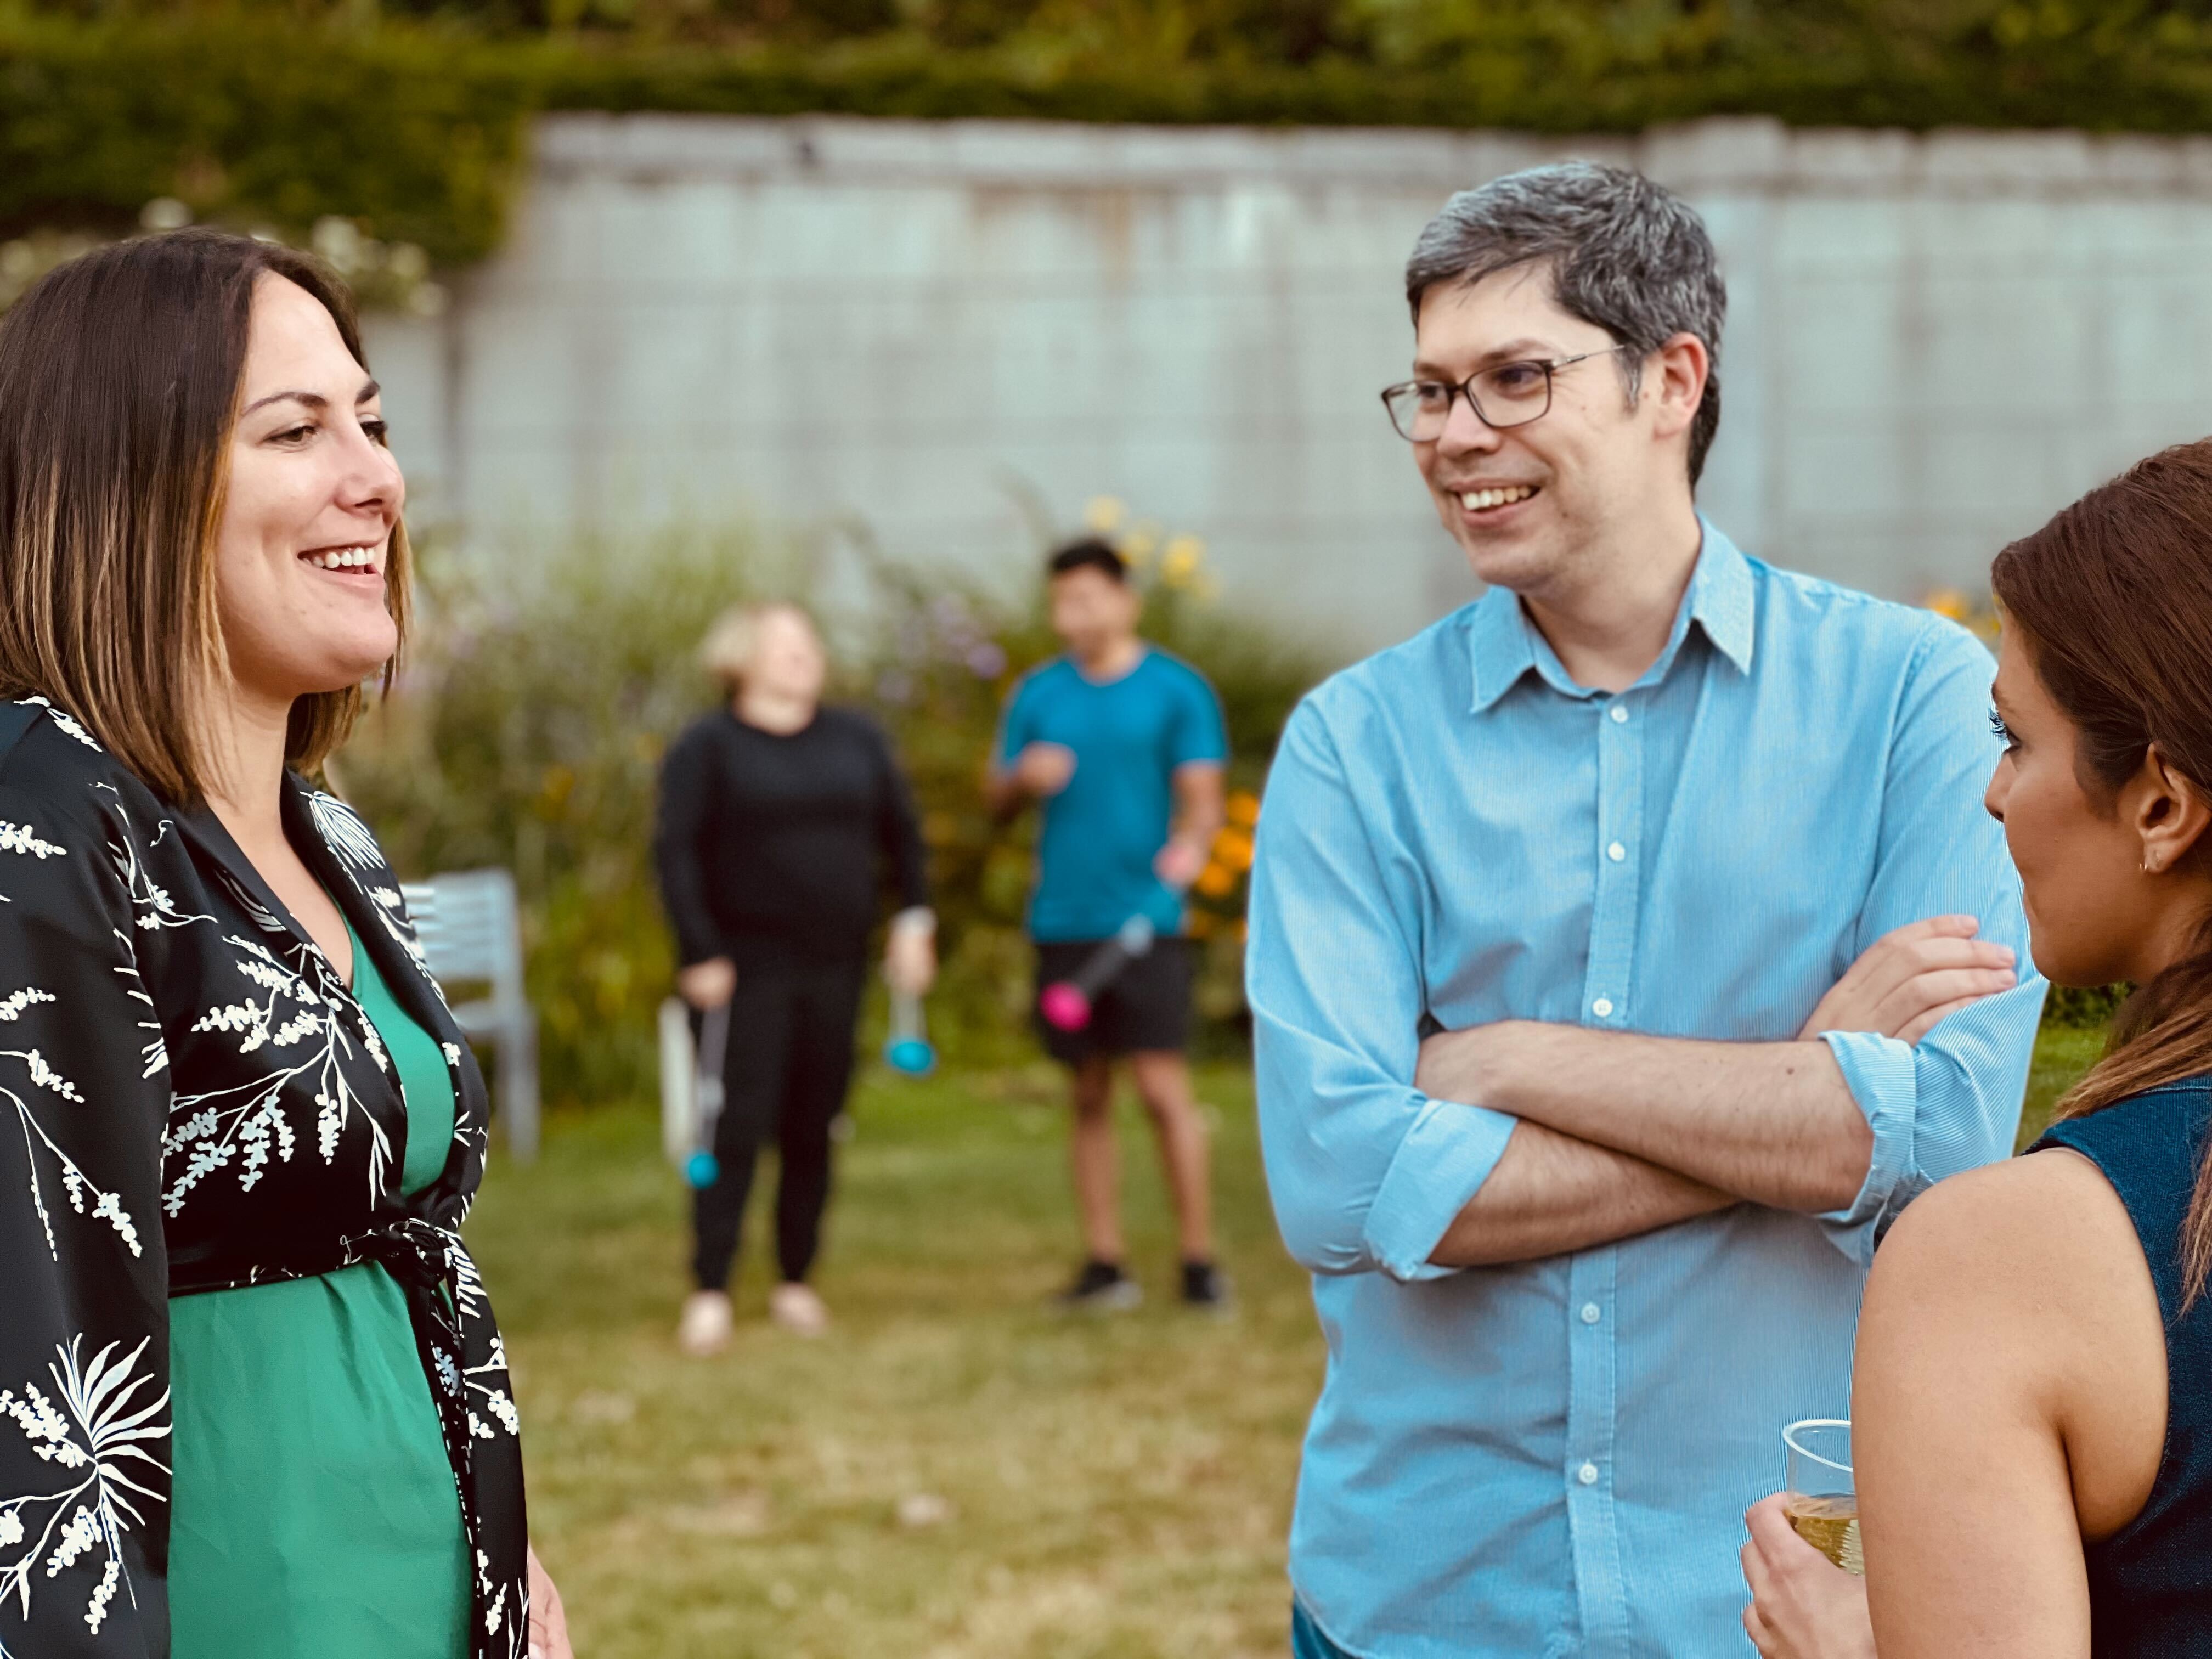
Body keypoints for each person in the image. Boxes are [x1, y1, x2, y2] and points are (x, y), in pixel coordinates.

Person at [1246, 160, 2045, 1657]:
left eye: (1514, 378)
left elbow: (1936, 1140)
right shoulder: (1356, 746)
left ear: (1672, 380)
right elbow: (1344, 1186)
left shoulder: (1917, 700)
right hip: (1425, 1601)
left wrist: (1505, 1062)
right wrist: (1796, 1098)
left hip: (1772, 1606)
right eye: (1431, 391)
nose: (1454, 435)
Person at [0, 230, 569, 1657]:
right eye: (297, 430)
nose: (375, 477)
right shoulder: (42, 817)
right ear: (125, 480)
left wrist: (500, 1553)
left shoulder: (330, 834)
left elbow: (382, 1260)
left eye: (373, 423)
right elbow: (33, 1354)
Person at [1741, 441, 2212, 1657]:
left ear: (2162, 805)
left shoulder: (2005, 1262)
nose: (1994, 796)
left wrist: (1853, 1644)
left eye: (2014, 741)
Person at [654, 601, 935, 1352]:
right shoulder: (708, 746)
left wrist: (914, 921)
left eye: (809, 643)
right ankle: (711, 1286)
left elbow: (903, 836)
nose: (804, 655)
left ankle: (796, 1278)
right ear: (741, 658)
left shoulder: (857, 738)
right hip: (742, 971)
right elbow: (675, 853)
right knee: (735, 1124)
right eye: (784, 645)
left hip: (838, 963)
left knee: (816, 1122)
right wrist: (698, 951)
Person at [988, 538, 1229, 1310]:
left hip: (1148, 923)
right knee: (1087, 1092)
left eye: (1087, 598)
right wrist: (1021, 779)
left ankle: (1199, 1262)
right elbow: (995, 799)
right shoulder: (1039, 695)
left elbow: (1204, 803)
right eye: (1061, 601)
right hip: (1064, 920)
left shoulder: (1176, 690)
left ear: (1127, 601)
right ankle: (1105, 1263)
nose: (1072, 615)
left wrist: (1191, 846)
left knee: (1162, 1089)